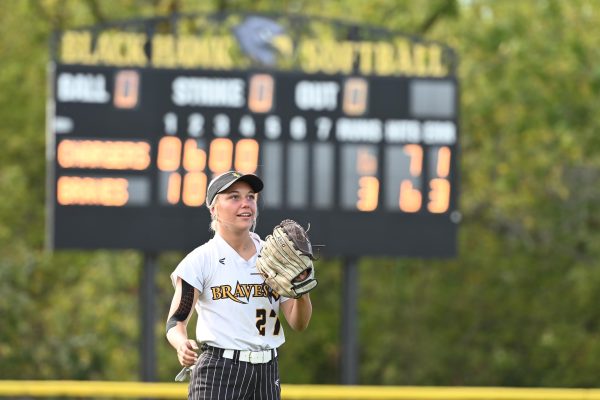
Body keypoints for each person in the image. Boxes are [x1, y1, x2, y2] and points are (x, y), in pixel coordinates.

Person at [166, 170, 313, 399]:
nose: (245, 203)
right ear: (213, 209)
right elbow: (176, 321)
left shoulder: (274, 257)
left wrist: (302, 291)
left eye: (250, 197)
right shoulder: (201, 259)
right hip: (219, 370)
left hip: (267, 370)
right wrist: (181, 344)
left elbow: (299, 323)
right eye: (234, 197)